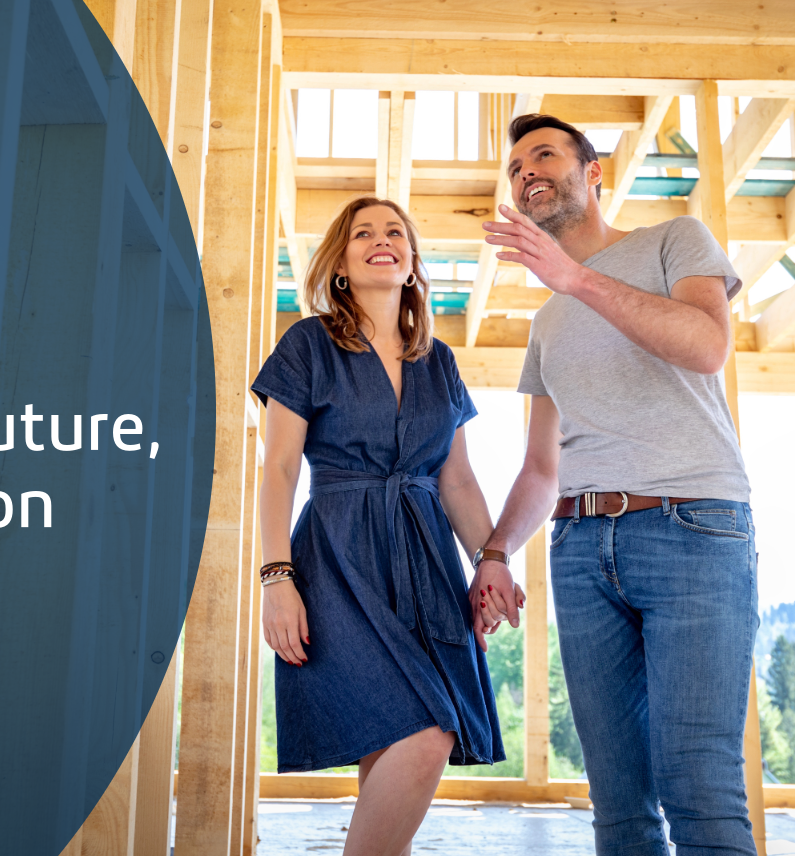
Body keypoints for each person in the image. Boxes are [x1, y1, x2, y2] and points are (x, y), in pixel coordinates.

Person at [474, 114, 757, 855]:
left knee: (700, 785)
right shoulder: (546, 322)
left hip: (692, 529)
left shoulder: (674, 241)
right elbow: (541, 468)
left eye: (544, 155)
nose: (527, 173)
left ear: (592, 171)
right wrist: (495, 553)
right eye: (516, 168)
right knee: (619, 800)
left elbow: (708, 346)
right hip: (578, 547)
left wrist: (575, 278)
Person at [252, 196, 520, 856]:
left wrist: (491, 559)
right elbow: (279, 467)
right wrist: (276, 577)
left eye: (395, 232)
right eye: (363, 233)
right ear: (341, 264)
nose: (382, 239)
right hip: (337, 561)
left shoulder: (440, 361)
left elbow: (458, 480)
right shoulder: (308, 344)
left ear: (412, 259)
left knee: (397, 743)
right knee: (426, 733)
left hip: (429, 564)